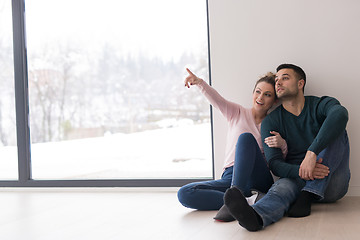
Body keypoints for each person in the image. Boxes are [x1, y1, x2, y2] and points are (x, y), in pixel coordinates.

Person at [224, 63, 350, 231]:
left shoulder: (319, 105)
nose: (278, 83)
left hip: (331, 182)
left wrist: (311, 154)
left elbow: (340, 114)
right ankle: (256, 217)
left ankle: (310, 193)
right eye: (276, 80)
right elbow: (275, 164)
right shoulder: (272, 120)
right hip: (295, 181)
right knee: (279, 190)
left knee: (338, 129)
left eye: (285, 78)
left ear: (300, 84)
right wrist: (302, 170)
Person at [177, 68, 287, 221]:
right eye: (258, 91)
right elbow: (217, 100)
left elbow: (280, 161)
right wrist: (199, 83)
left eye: (267, 95)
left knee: (246, 139)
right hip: (230, 176)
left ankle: (237, 197)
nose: (260, 97)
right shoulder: (237, 113)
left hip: (258, 177)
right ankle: (246, 201)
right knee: (185, 193)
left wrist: (282, 144)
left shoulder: (273, 125)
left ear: (274, 101)